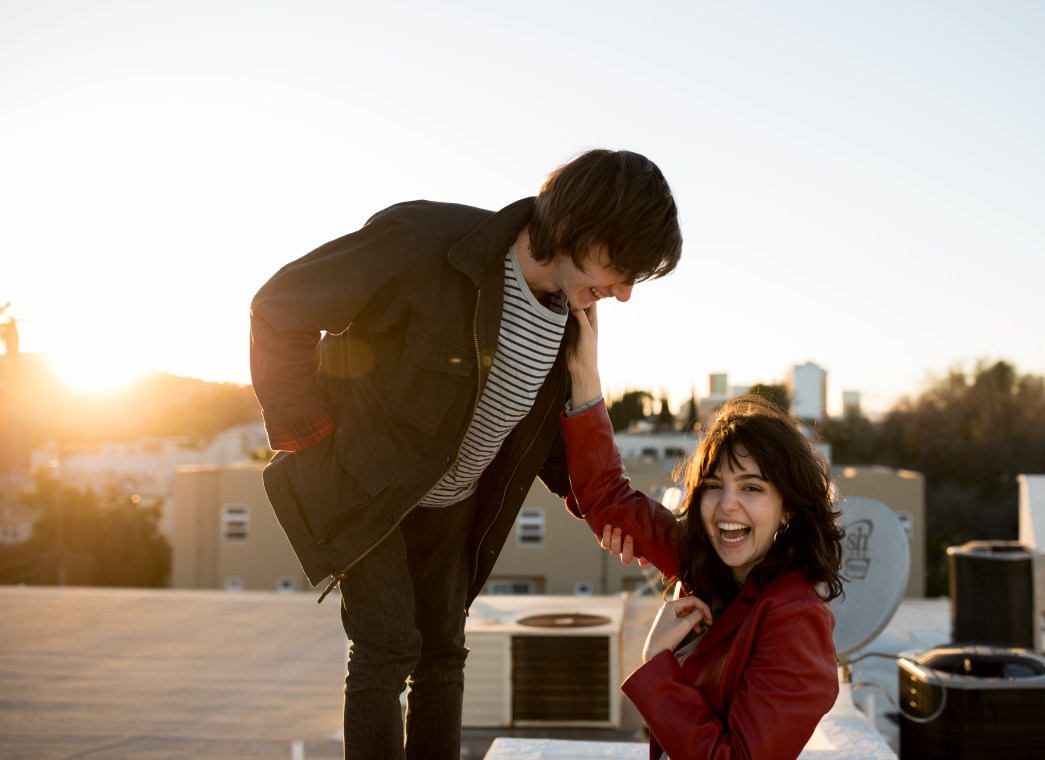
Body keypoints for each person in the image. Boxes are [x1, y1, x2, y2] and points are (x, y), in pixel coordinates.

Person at [248, 148, 681, 760]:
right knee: (387, 645)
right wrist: (311, 442)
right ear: (584, 226)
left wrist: (651, 533)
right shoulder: (424, 242)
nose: (626, 294)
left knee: (443, 652)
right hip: (370, 488)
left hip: (453, 507)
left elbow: (560, 459)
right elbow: (280, 306)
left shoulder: (570, 322)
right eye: (623, 268)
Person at [561, 304, 845, 760]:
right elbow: (608, 498)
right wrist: (584, 371)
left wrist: (656, 663)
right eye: (714, 487)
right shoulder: (704, 557)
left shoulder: (796, 620)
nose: (726, 505)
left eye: (752, 488)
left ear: (788, 506)